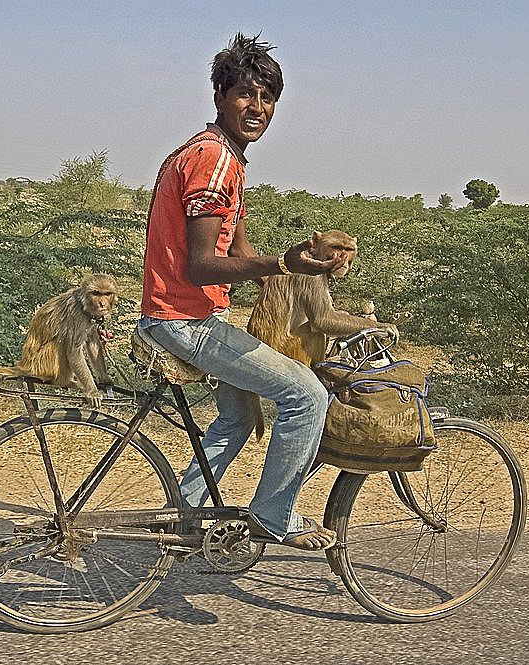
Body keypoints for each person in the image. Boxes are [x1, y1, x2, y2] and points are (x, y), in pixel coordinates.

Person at [137, 33, 347, 550]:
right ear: (220, 97)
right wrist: (279, 262)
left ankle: (183, 516)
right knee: (305, 395)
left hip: (185, 316)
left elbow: (242, 257)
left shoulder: (218, 155)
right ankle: (276, 512)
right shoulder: (215, 160)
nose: (257, 107)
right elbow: (203, 264)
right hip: (183, 320)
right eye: (245, 94)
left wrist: (307, 266)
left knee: (235, 415)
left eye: (268, 97)